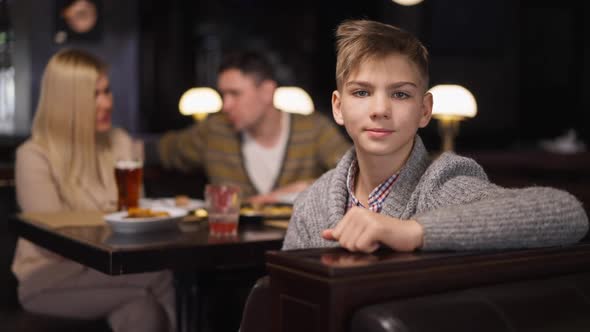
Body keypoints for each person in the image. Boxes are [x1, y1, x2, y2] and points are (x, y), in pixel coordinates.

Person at [282, 19, 589, 252]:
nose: (380, 109)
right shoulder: (312, 203)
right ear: (338, 107)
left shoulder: (440, 185)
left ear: (424, 110)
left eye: (400, 95)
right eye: (362, 92)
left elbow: (567, 213)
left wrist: (414, 231)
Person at [11, 49, 175, 332]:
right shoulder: (34, 155)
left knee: (143, 312)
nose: (107, 102)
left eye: (107, 91)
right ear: (67, 101)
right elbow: (58, 242)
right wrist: (119, 221)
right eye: (94, 94)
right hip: (51, 280)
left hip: (115, 269)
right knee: (163, 274)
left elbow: (136, 214)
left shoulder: (119, 141)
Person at [148, 50, 351, 203]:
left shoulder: (313, 129)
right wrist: (117, 142)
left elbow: (354, 172)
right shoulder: (215, 131)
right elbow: (160, 149)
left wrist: (299, 189)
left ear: (267, 92)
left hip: (298, 250)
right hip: (233, 251)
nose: (225, 105)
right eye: (223, 95)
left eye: (235, 94)